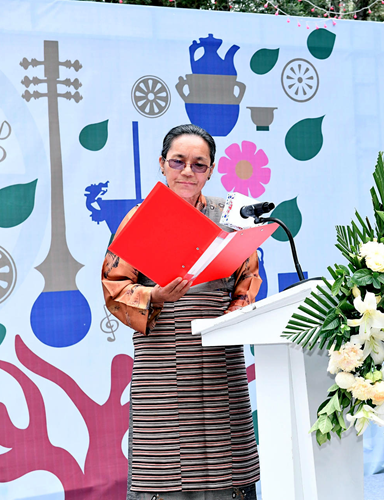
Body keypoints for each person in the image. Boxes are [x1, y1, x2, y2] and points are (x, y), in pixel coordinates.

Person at [102, 124, 260, 500]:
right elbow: (114, 287)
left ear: (211, 169)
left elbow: (248, 279)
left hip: (220, 358)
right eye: (178, 161)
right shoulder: (139, 219)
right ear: (162, 164)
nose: (188, 171)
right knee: (163, 465)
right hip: (161, 362)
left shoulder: (232, 217)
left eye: (198, 164)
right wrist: (155, 295)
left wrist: (232, 317)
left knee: (227, 463)